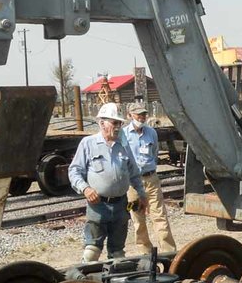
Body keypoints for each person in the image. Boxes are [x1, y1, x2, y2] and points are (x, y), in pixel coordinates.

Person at [68, 102, 148, 262]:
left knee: (118, 254)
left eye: (119, 123)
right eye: (114, 123)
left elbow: (134, 173)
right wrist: (85, 189)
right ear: (102, 123)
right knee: (92, 251)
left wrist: (141, 193)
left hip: (120, 206)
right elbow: (74, 171)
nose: (118, 127)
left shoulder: (123, 146)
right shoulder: (88, 144)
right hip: (98, 206)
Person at [123, 102, 177, 254]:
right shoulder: (123, 135)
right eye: (138, 114)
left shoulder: (151, 133)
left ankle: (168, 251)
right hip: (133, 184)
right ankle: (144, 253)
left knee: (160, 215)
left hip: (151, 180)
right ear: (129, 115)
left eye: (143, 114)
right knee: (137, 218)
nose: (142, 117)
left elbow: (154, 154)